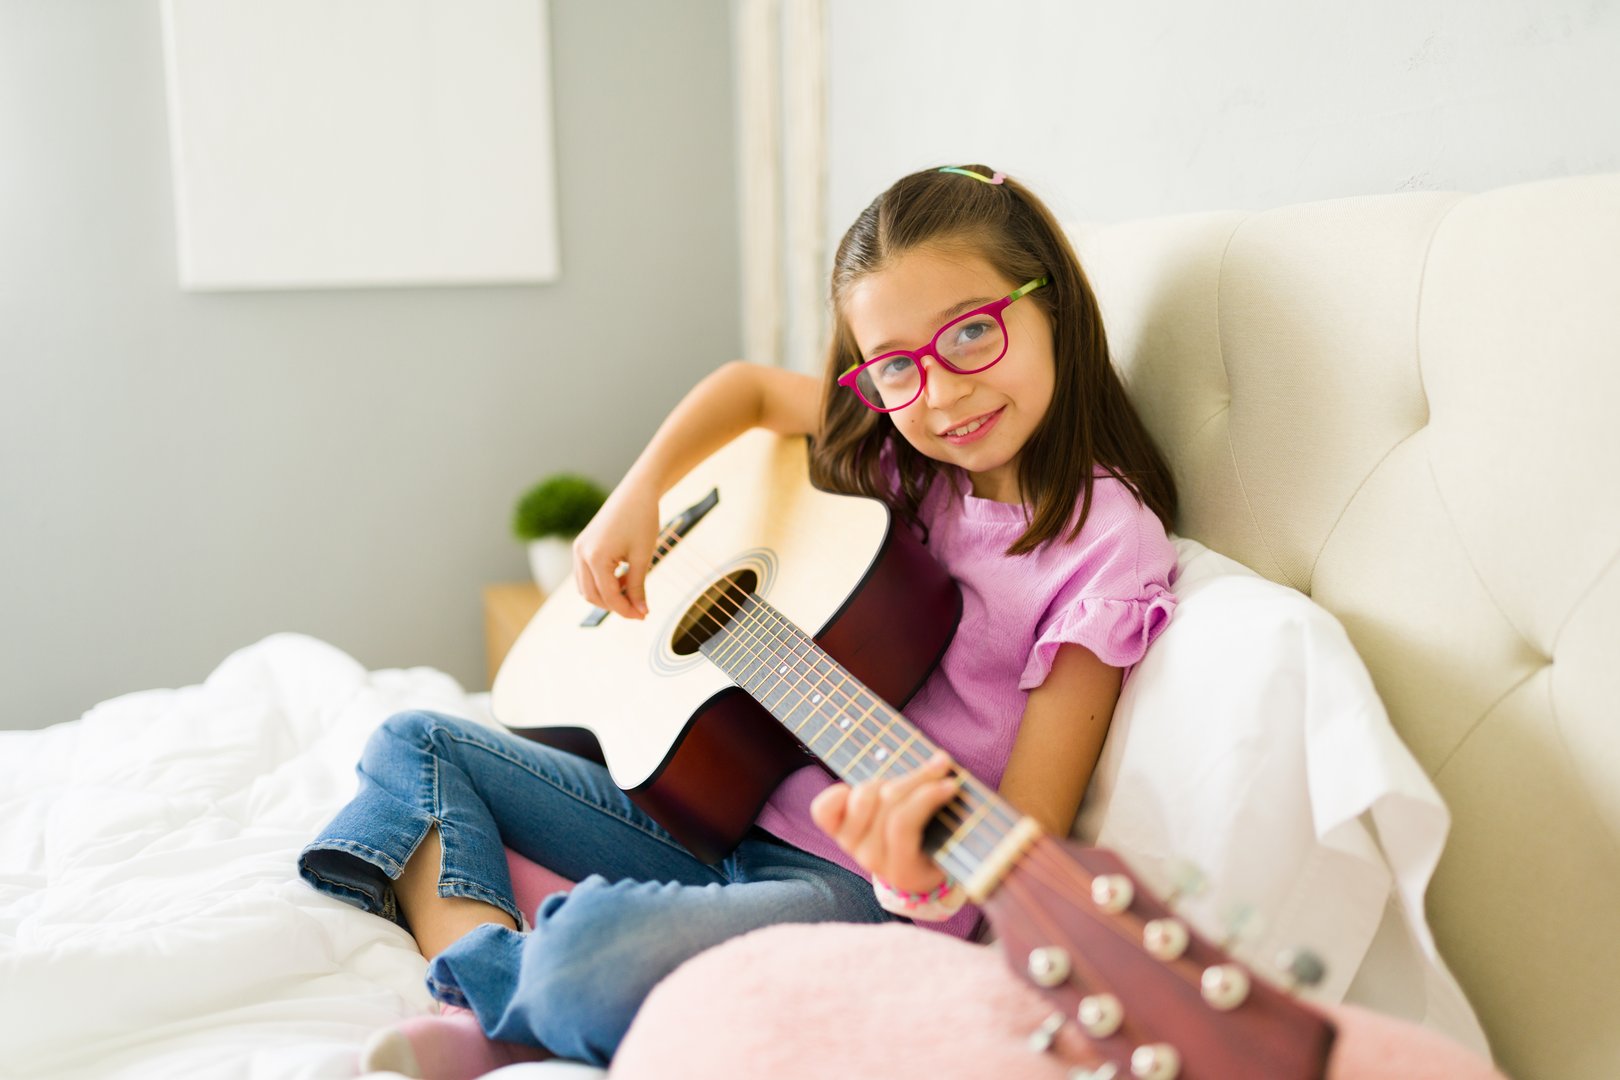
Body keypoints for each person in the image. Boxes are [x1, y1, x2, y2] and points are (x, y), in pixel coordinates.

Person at [297, 164, 1179, 1075]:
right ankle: (504, 996)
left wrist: (915, 869)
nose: (942, 394)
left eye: (971, 333)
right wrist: (637, 495)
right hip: (729, 804)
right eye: (894, 367)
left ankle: (486, 1005)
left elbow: (1024, 832)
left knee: (595, 951)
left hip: (853, 887)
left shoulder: (1106, 547)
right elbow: (749, 391)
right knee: (414, 742)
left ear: (1052, 304)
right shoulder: (904, 457)